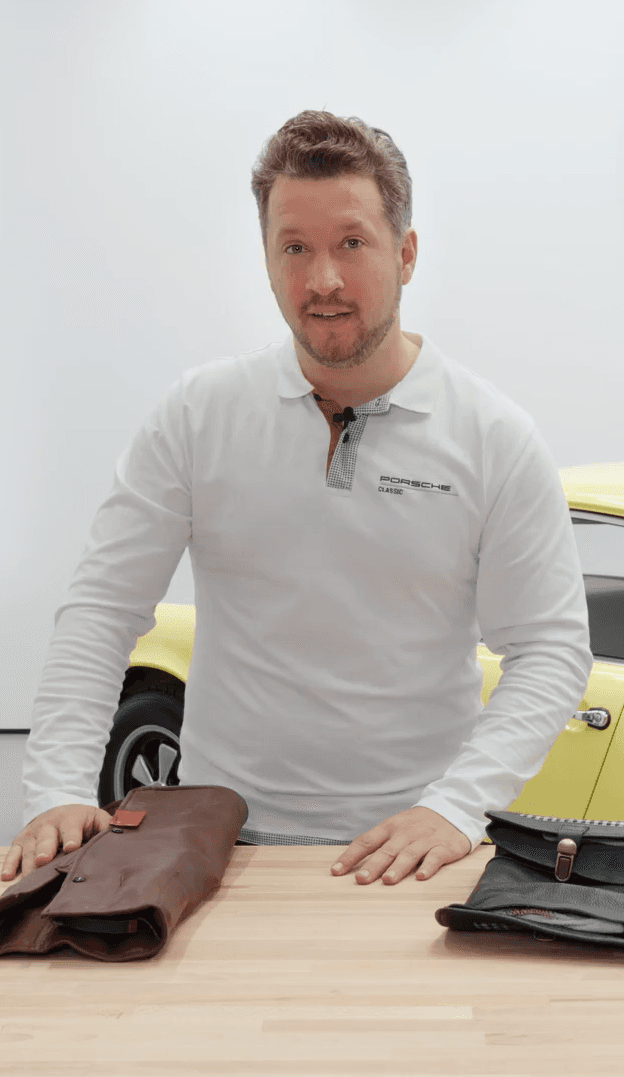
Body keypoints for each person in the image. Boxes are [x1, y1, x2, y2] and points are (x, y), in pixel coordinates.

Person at [2, 110, 592, 888]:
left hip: (415, 850)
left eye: (352, 243)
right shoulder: (198, 415)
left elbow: (549, 648)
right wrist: (56, 791)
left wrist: (456, 805)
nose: (323, 280)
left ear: (407, 253)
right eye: (295, 247)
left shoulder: (493, 436)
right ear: (266, 257)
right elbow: (101, 611)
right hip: (217, 841)